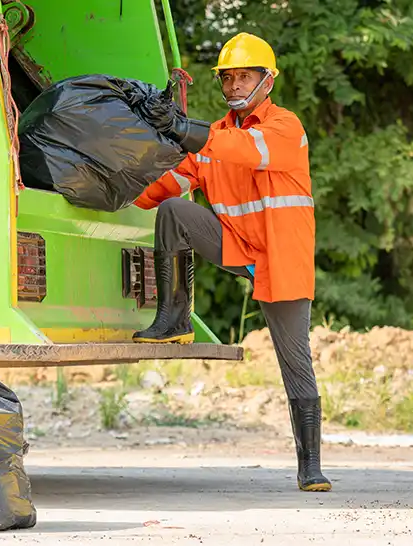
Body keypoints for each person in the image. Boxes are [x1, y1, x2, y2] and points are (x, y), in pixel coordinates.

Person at [130, 32, 330, 493]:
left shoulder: (284, 128)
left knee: (295, 361)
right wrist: (110, 191)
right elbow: (168, 186)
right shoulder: (212, 138)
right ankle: (173, 318)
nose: (236, 85)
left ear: (267, 80)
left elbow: (246, 150)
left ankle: (311, 467)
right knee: (173, 211)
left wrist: (183, 128)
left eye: (245, 76)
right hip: (234, 246)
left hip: (279, 260)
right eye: (230, 77)